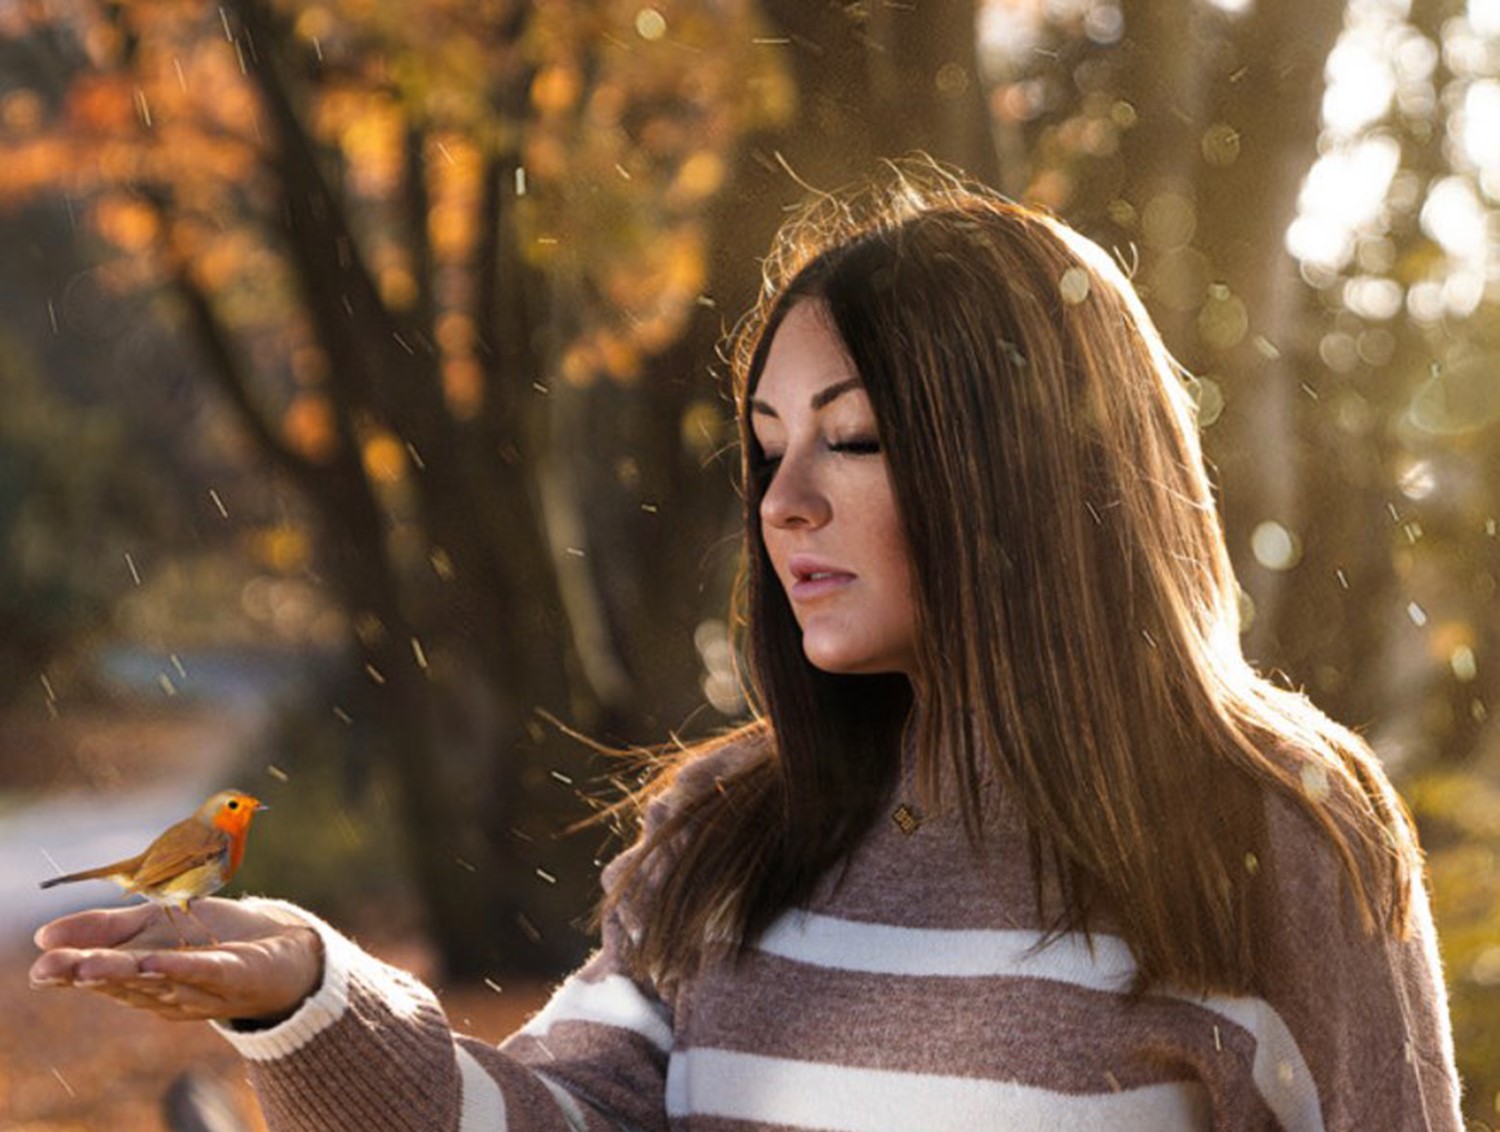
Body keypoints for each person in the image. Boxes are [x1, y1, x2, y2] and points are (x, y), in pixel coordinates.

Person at [31, 165, 1464, 1131]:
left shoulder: (1275, 830)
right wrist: (308, 995)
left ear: (1030, 464)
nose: (784, 505)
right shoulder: (728, 828)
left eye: (853, 440)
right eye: (769, 446)